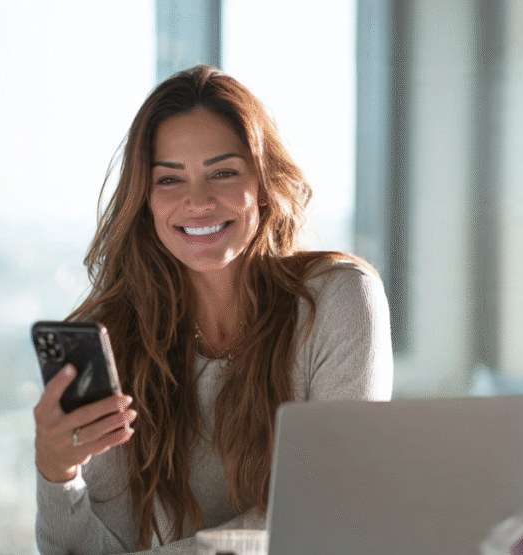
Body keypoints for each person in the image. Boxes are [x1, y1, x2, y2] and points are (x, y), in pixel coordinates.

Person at [33, 65, 393, 555]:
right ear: (146, 200)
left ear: (264, 185)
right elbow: (94, 549)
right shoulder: (116, 335)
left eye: (223, 173)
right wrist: (57, 473)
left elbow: (327, 510)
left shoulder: (338, 302)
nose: (197, 201)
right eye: (169, 179)